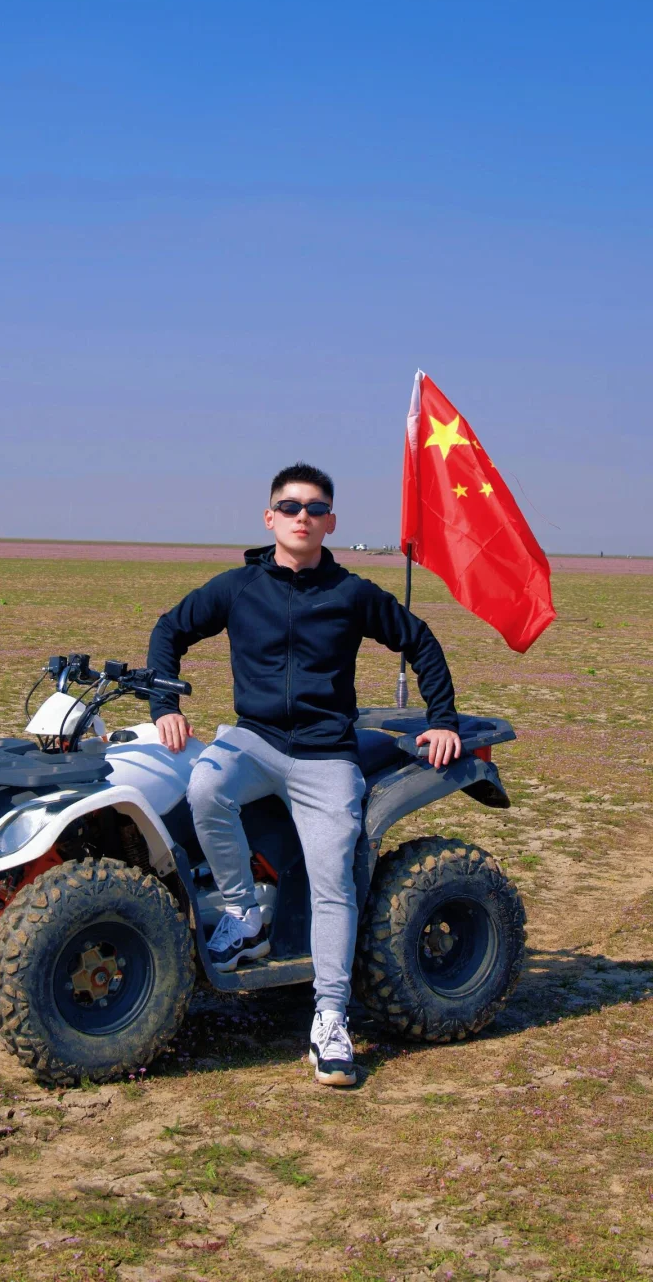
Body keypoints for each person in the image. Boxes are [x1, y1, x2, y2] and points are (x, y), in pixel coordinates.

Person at [147, 463, 461, 1086]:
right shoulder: (239, 587)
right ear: (269, 518)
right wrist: (165, 706)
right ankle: (244, 916)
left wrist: (443, 719)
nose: (302, 517)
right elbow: (170, 629)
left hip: (326, 756)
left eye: (315, 508)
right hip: (255, 740)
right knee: (204, 786)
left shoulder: (350, 593)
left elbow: (420, 640)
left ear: (330, 522)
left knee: (332, 881)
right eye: (290, 507)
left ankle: (330, 1018)